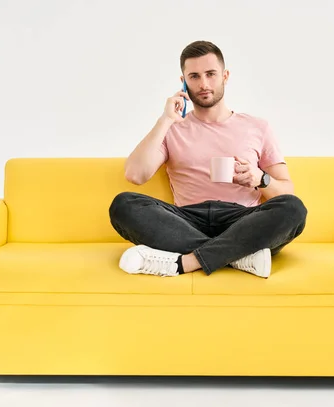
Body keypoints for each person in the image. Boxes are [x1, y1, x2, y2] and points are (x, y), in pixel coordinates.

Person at [109, 40, 307, 278]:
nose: (203, 84)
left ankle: (185, 262)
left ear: (225, 76)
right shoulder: (172, 128)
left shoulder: (258, 127)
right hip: (186, 220)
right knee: (124, 205)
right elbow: (135, 175)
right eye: (193, 76)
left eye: (210, 74)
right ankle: (239, 257)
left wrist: (260, 178)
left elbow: (287, 193)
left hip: (242, 220)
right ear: (183, 81)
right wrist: (165, 119)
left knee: (293, 209)